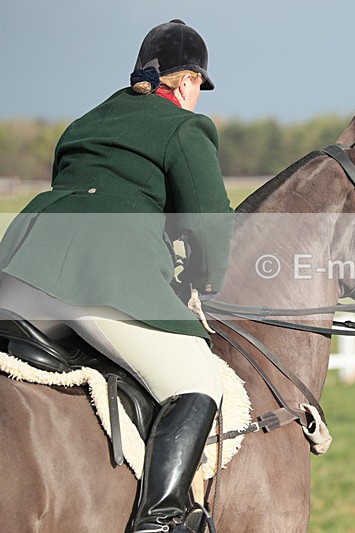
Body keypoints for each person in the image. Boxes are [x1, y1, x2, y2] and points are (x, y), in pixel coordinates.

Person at [0, 19, 233, 533]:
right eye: (198, 86)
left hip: (18, 273)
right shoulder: (186, 127)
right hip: (98, 278)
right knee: (198, 382)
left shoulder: (83, 123)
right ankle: (162, 518)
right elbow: (211, 226)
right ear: (189, 81)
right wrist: (203, 278)